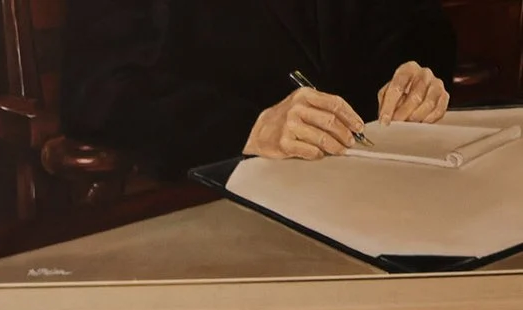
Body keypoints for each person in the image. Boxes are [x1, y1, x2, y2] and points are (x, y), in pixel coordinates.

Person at [62, 0, 456, 179]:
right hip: (210, 198)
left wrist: (415, 72)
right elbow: (98, 88)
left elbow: (418, 22)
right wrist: (250, 128)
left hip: (369, 185)